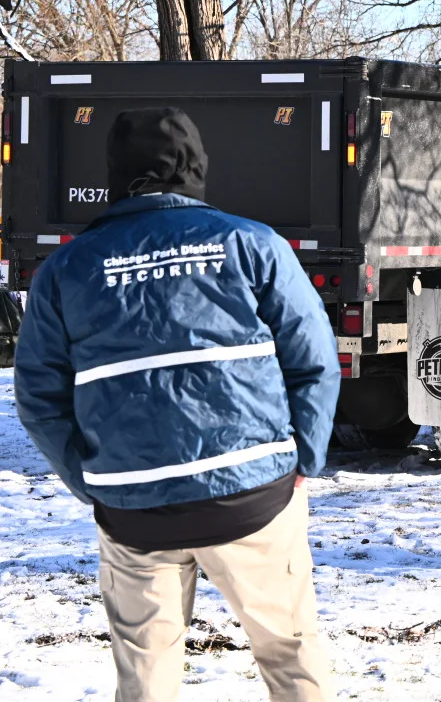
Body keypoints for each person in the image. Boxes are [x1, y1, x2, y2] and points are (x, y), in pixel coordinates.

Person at [14, 108, 340, 702]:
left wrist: (95, 483)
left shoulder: (66, 268)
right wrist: (306, 459)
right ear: (196, 167)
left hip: (134, 512)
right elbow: (314, 359)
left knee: (146, 676)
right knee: (291, 654)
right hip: (252, 496)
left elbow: (39, 398)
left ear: (116, 174)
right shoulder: (252, 244)